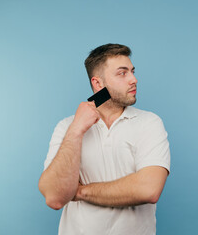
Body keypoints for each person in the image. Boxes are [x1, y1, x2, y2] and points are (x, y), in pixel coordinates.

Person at [38, 43, 171, 235]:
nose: (134, 79)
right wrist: (76, 130)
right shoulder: (67, 127)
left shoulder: (149, 122)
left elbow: (149, 189)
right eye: (122, 73)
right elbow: (54, 197)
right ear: (98, 84)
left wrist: (80, 192)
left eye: (132, 72)